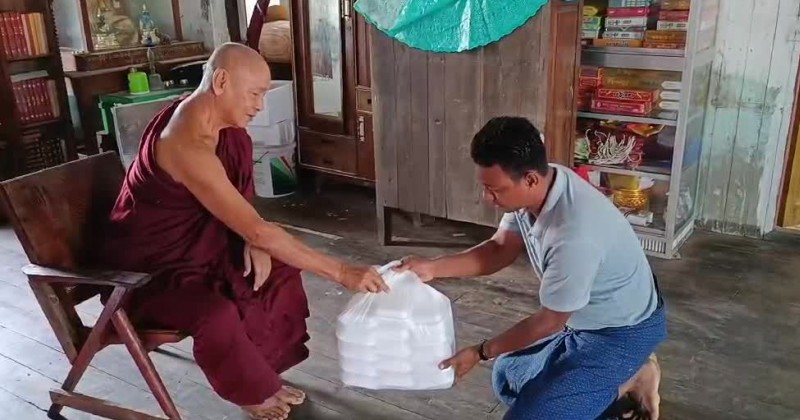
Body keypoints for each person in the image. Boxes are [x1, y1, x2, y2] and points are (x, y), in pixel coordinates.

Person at [96, 42, 389, 420]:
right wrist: (343, 271)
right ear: (221, 82)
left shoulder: (221, 126)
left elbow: (239, 205)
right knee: (214, 311)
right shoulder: (185, 143)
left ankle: (261, 370)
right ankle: (250, 390)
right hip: (147, 274)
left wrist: (255, 239)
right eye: (254, 94)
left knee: (277, 267)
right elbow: (257, 229)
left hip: (199, 246)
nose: (260, 106)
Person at [398, 117, 667, 420]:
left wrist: (480, 351)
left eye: (494, 189)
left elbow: (549, 322)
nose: (487, 197)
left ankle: (629, 376)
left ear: (529, 180)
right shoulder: (546, 182)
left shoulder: (573, 234)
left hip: (620, 333)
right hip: (581, 322)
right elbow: (499, 249)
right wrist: (431, 268)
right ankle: (623, 378)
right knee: (508, 376)